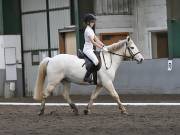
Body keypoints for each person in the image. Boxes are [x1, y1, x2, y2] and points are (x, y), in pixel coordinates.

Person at [83, 13, 108, 83]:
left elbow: (97, 40)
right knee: (96, 61)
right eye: (92, 22)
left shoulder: (91, 30)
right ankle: (86, 77)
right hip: (87, 50)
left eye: (93, 22)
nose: (93, 23)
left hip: (91, 49)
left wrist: (104, 45)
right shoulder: (87, 31)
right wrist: (101, 48)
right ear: (88, 22)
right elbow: (93, 42)